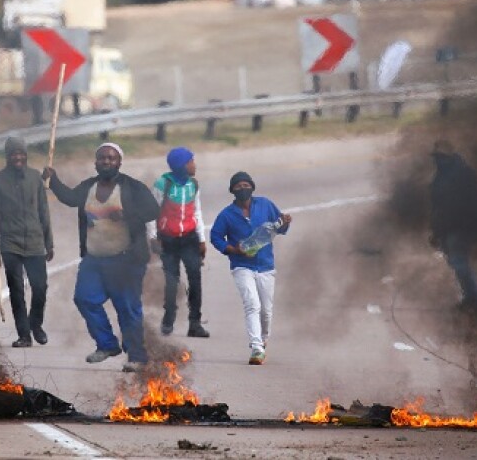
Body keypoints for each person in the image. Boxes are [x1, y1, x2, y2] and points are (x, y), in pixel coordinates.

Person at [42, 143, 159, 372]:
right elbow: (70, 198)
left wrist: (127, 215)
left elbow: (153, 211)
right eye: (102, 158)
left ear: (119, 162)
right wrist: (53, 180)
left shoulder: (132, 187)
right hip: (94, 259)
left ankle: (136, 356)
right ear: (95, 163)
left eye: (111, 158)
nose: (106, 161)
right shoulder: (88, 187)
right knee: (84, 299)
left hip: (126, 259)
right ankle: (107, 345)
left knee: (127, 307)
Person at [210, 171, 291, 366]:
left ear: (252, 187)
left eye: (246, 185)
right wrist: (232, 249)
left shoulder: (265, 205)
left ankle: (262, 340)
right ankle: (256, 347)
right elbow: (216, 237)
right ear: (232, 191)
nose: (242, 189)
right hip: (241, 265)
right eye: (238, 186)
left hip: (266, 266)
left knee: (266, 311)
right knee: (252, 304)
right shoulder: (226, 215)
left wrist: (285, 223)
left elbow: (279, 228)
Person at [0, 137, 54, 348]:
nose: (18, 157)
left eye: (21, 153)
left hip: (35, 242)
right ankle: (24, 335)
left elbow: (44, 212)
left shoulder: (36, 178)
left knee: (40, 287)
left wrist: (49, 243)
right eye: (13, 154)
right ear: (7, 157)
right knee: (16, 290)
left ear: (25, 155)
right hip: (10, 243)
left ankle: (36, 325)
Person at [148, 147, 209, 338]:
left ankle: (195, 323)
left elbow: (196, 212)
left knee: (195, 280)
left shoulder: (193, 185)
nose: (194, 165)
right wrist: (153, 237)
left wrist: (201, 239)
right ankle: (169, 318)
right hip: (168, 241)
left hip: (190, 239)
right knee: (172, 281)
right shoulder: (162, 184)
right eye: (191, 161)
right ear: (181, 165)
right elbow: (151, 213)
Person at [429, 140, 477, 307]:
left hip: (460, 227)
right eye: (436, 157)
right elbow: (437, 208)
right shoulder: (441, 176)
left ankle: (474, 298)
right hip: (449, 228)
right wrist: (436, 232)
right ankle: (470, 296)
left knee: (459, 262)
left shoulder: (462, 174)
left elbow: (470, 203)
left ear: (448, 157)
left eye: (440, 157)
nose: (437, 160)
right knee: (456, 262)